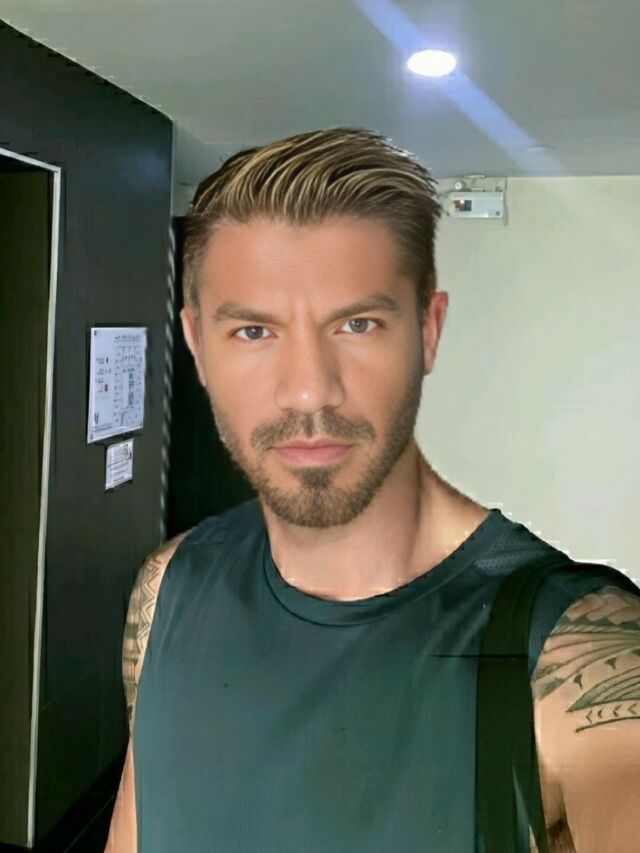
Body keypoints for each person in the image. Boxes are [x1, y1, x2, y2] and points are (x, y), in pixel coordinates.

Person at [106, 127, 640, 852]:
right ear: (197, 346)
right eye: (254, 331)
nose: (307, 390)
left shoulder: (573, 651)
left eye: (357, 324)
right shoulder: (169, 586)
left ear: (428, 331)